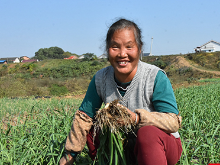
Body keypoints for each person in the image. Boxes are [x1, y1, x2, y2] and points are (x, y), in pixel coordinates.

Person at [59, 18, 182, 165]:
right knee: (93, 126)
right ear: (107, 49)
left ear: (139, 48)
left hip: (160, 149)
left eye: (129, 47)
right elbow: (83, 118)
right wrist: (68, 158)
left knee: (147, 133)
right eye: (115, 47)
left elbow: (173, 121)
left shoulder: (154, 77)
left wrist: (137, 119)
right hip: (124, 148)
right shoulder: (101, 79)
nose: (122, 54)